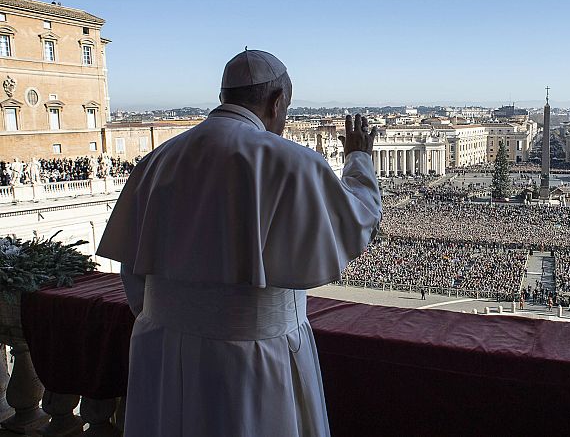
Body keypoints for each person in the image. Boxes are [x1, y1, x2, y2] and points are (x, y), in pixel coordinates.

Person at [96, 49, 382, 437]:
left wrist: (178, 318)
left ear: (223, 96)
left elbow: (133, 273)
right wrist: (359, 159)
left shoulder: (156, 161)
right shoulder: (292, 161)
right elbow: (359, 221)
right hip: (255, 356)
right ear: (277, 101)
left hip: (163, 350)